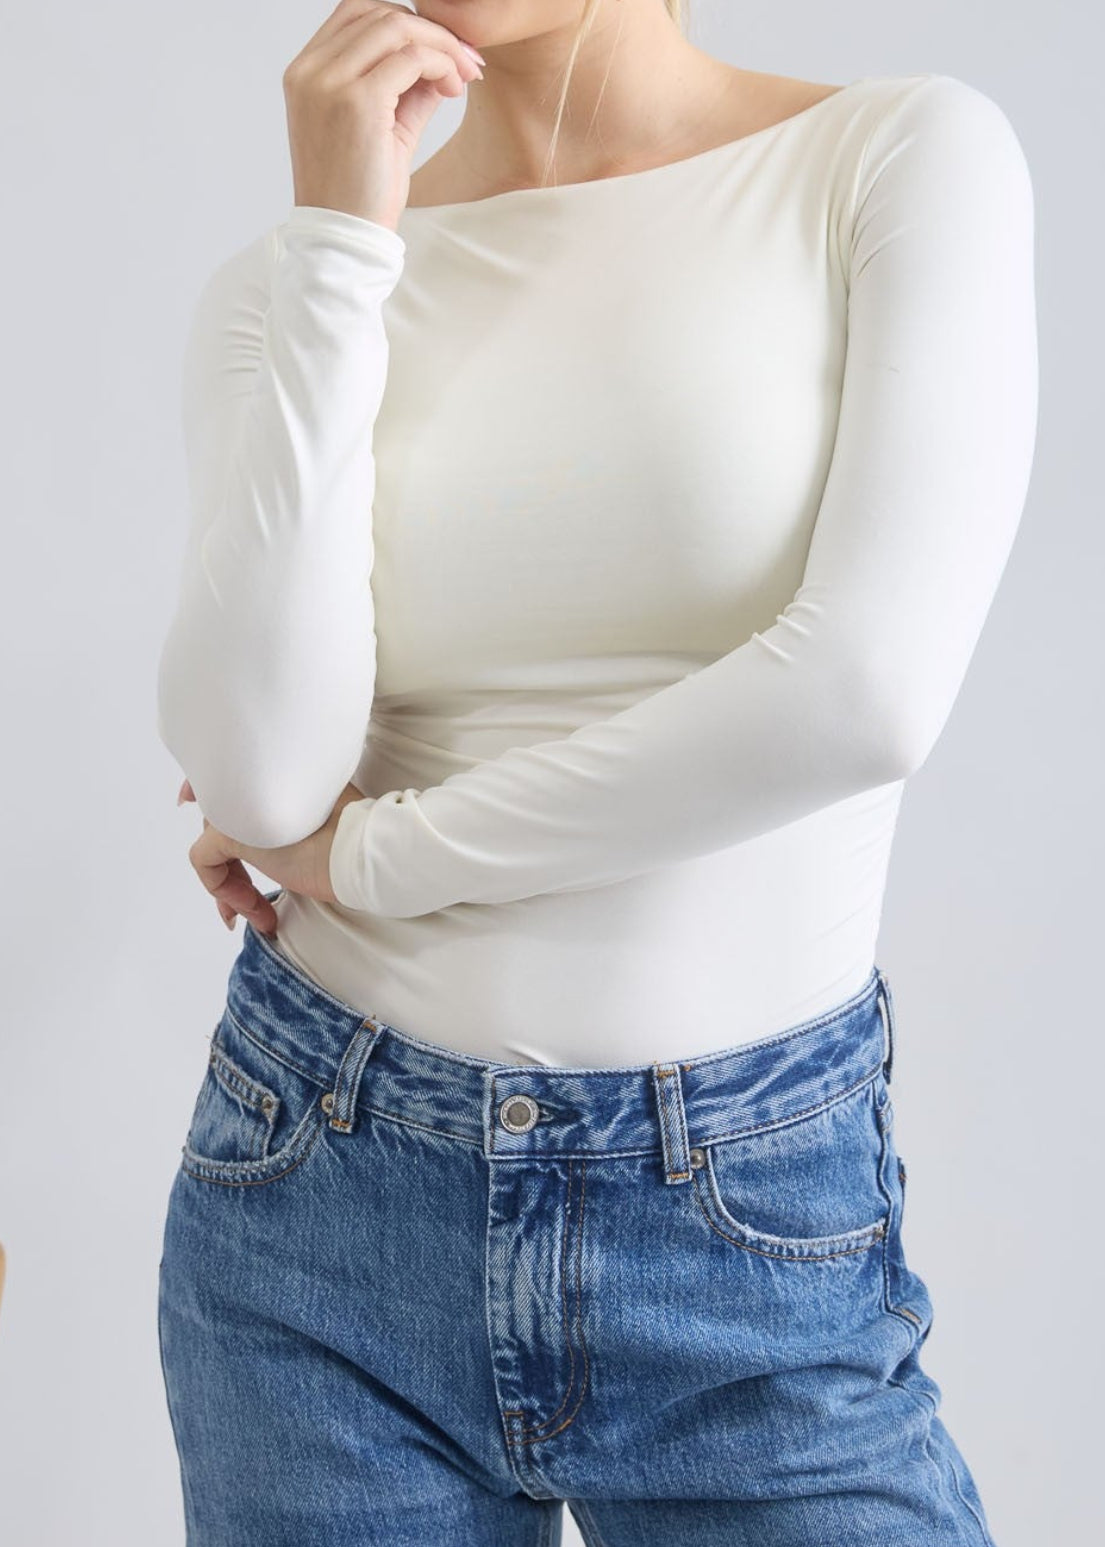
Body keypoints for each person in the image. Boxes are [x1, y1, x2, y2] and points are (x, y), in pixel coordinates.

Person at [155, 1, 1037, 1542]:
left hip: (740, 1231)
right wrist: (341, 248)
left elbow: (860, 697)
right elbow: (260, 767)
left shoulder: (892, 156)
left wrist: (376, 861)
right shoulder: (297, 274)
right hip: (314, 1198)